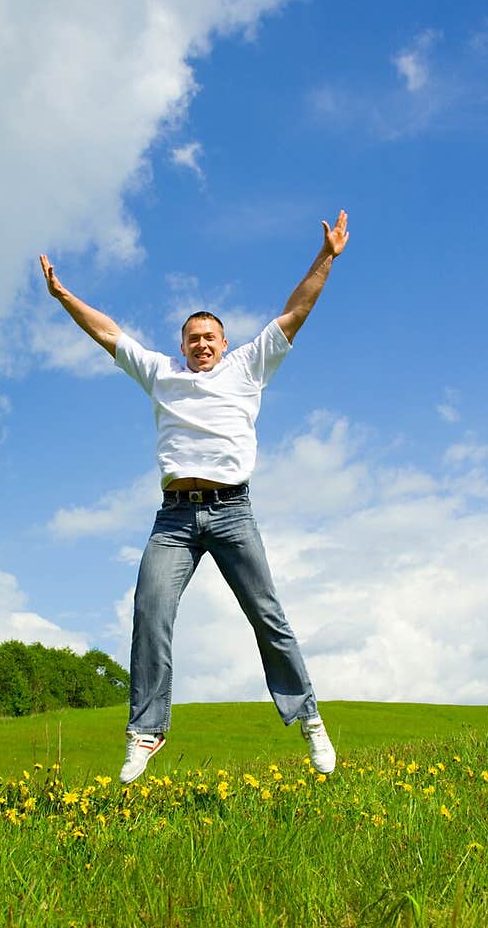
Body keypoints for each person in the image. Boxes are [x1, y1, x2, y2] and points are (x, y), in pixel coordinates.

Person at [39, 209, 349, 784]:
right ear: (182, 346)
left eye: (209, 336)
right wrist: (63, 295)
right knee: (150, 610)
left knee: (267, 615)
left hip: (234, 512)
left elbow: (297, 309)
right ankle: (145, 732)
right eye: (192, 338)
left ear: (224, 342)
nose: (201, 344)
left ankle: (308, 719)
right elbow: (107, 331)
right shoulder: (161, 374)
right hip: (174, 520)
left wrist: (327, 255)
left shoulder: (248, 367)